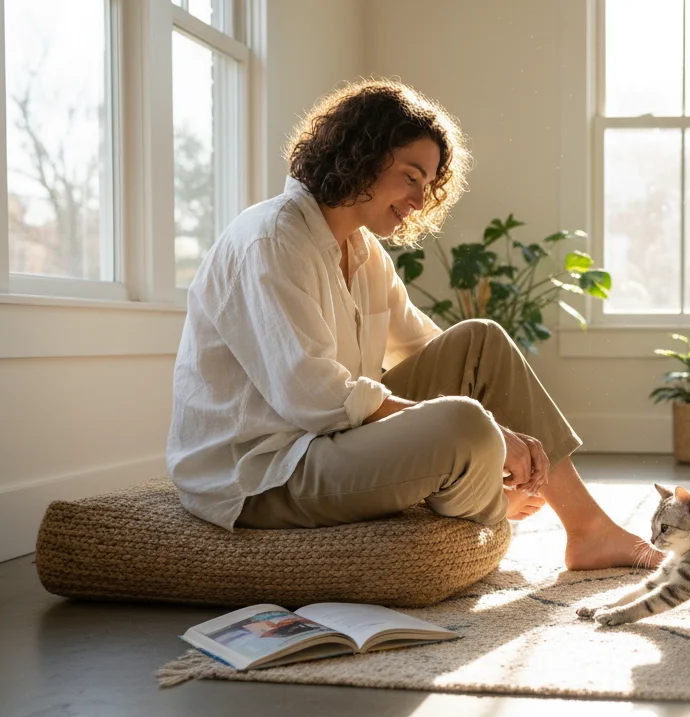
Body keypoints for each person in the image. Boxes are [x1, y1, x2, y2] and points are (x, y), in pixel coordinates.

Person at [166, 78, 661, 571]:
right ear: (361, 154)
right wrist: (486, 432)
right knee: (464, 423)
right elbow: (311, 396)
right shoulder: (271, 240)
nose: (420, 200)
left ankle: (587, 529)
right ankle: (484, 497)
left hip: (326, 442)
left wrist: (505, 432)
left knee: (479, 340)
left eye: (427, 185)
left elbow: (432, 350)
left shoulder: (361, 250)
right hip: (265, 474)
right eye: (410, 176)